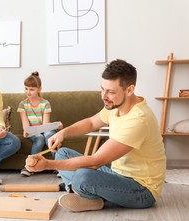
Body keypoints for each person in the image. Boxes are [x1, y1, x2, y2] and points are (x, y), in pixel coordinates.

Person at [25, 59, 166, 212]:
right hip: (117, 174)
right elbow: (91, 123)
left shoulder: (138, 119)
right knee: (62, 153)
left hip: (141, 190)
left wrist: (47, 165)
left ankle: (81, 190)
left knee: (83, 175)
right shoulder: (115, 105)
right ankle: (89, 196)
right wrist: (63, 132)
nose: (104, 96)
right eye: (102, 89)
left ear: (129, 90)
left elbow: (95, 162)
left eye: (111, 92)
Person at [17, 71, 59, 177]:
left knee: (49, 136)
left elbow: (45, 124)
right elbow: (25, 125)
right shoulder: (23, 104)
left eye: (32, 89)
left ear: (39, 89)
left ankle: (59, 167)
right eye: (26, 88)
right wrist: (26, 131)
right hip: (33, 131)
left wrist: (53, 127)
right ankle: (29, 166)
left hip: (44, 128)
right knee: (39, 138)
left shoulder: (45, 103)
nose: (28, 92)